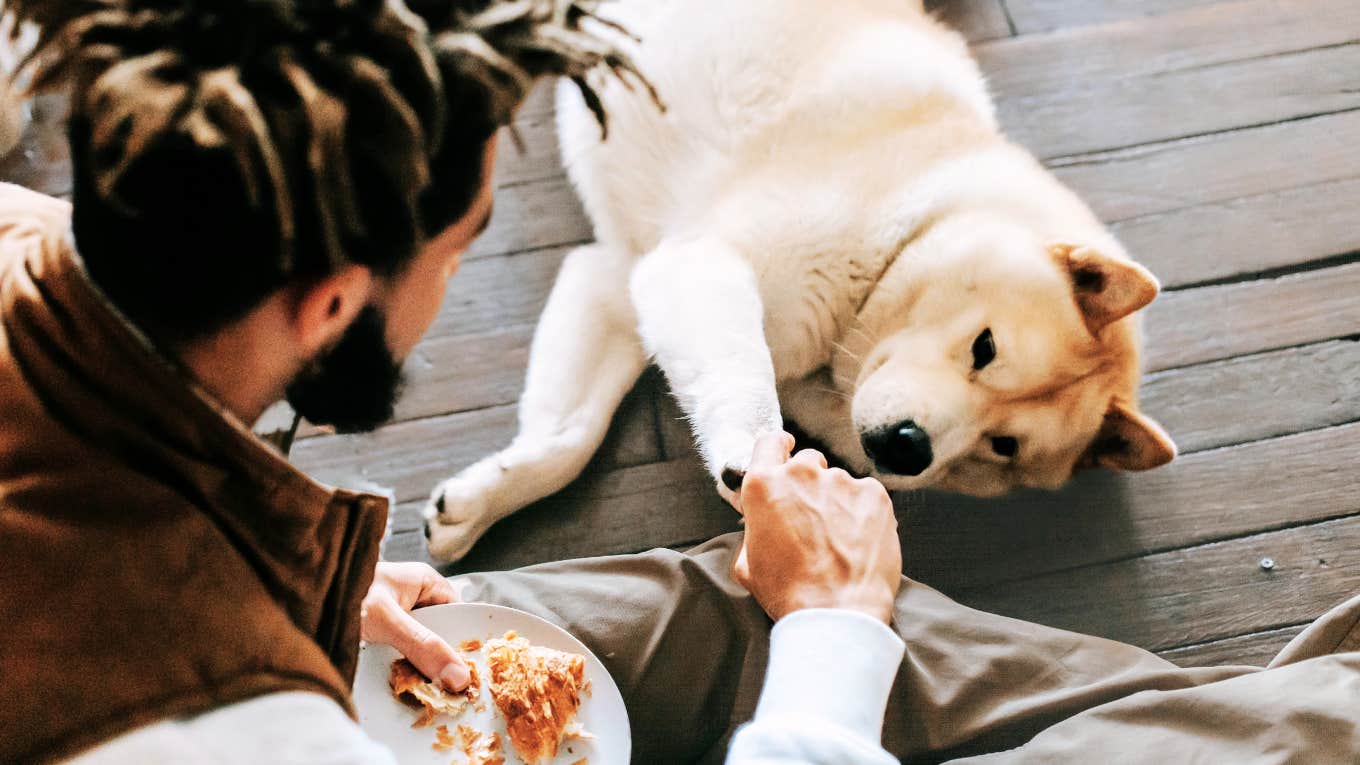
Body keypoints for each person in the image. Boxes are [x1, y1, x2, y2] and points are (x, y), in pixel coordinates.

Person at [1, 2, 1357, 765]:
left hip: (304, 621)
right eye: (463, 247)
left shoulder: (26, 246)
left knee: (724, 592)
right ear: (333, 303)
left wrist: (297, 586)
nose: (461, 279)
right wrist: (829, 634)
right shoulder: (225, 733)